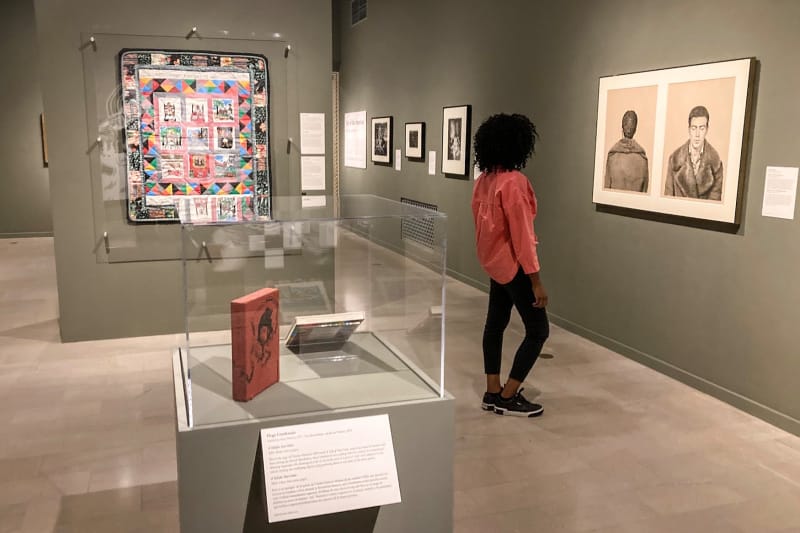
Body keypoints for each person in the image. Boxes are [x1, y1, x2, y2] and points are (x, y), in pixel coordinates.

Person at [471, 113, 549, 417]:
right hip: (515, 267)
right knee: (538, 331)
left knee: (495, 325)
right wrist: (536, 280)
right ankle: (508, 395)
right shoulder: (514, 182)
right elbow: (523, 237)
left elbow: (481, 228)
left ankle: (492, 391)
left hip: (493, 264)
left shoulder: (483, 181)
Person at [664, 105, 723, 200]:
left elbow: (714, 203)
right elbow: (667, 199)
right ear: (689, 129)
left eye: (701, 128)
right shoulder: (674, 159)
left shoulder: (716, 164)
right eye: (694, 128)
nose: (697, 134)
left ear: (707, 130)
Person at [604, 110, 649, 192]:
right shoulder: (643, 158)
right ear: (635, 129)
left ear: (622, 127)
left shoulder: (612, 156)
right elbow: (644, 192)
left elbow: (606, 189)